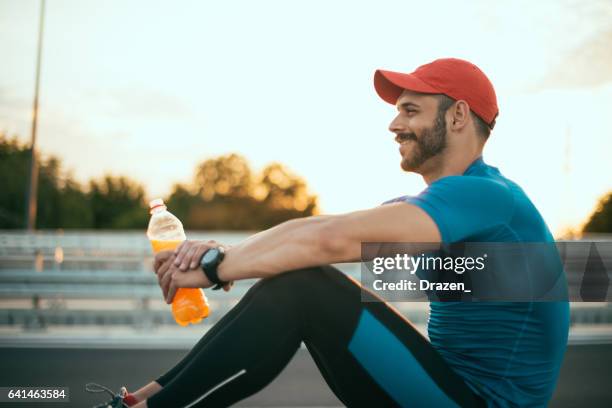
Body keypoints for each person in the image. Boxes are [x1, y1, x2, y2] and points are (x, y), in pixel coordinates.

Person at [89, 58, 569, 408]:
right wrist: (221, 255)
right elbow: (316, 234)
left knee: (305, 289)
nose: (393, 123)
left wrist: (217, 268)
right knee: (302, 281)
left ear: (458, 116)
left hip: (477, 402)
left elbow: (327, 244)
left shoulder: (487, 197)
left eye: (410, 110)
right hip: (446, 387)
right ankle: (148, 398)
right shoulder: (441, 208)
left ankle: (155, 405)